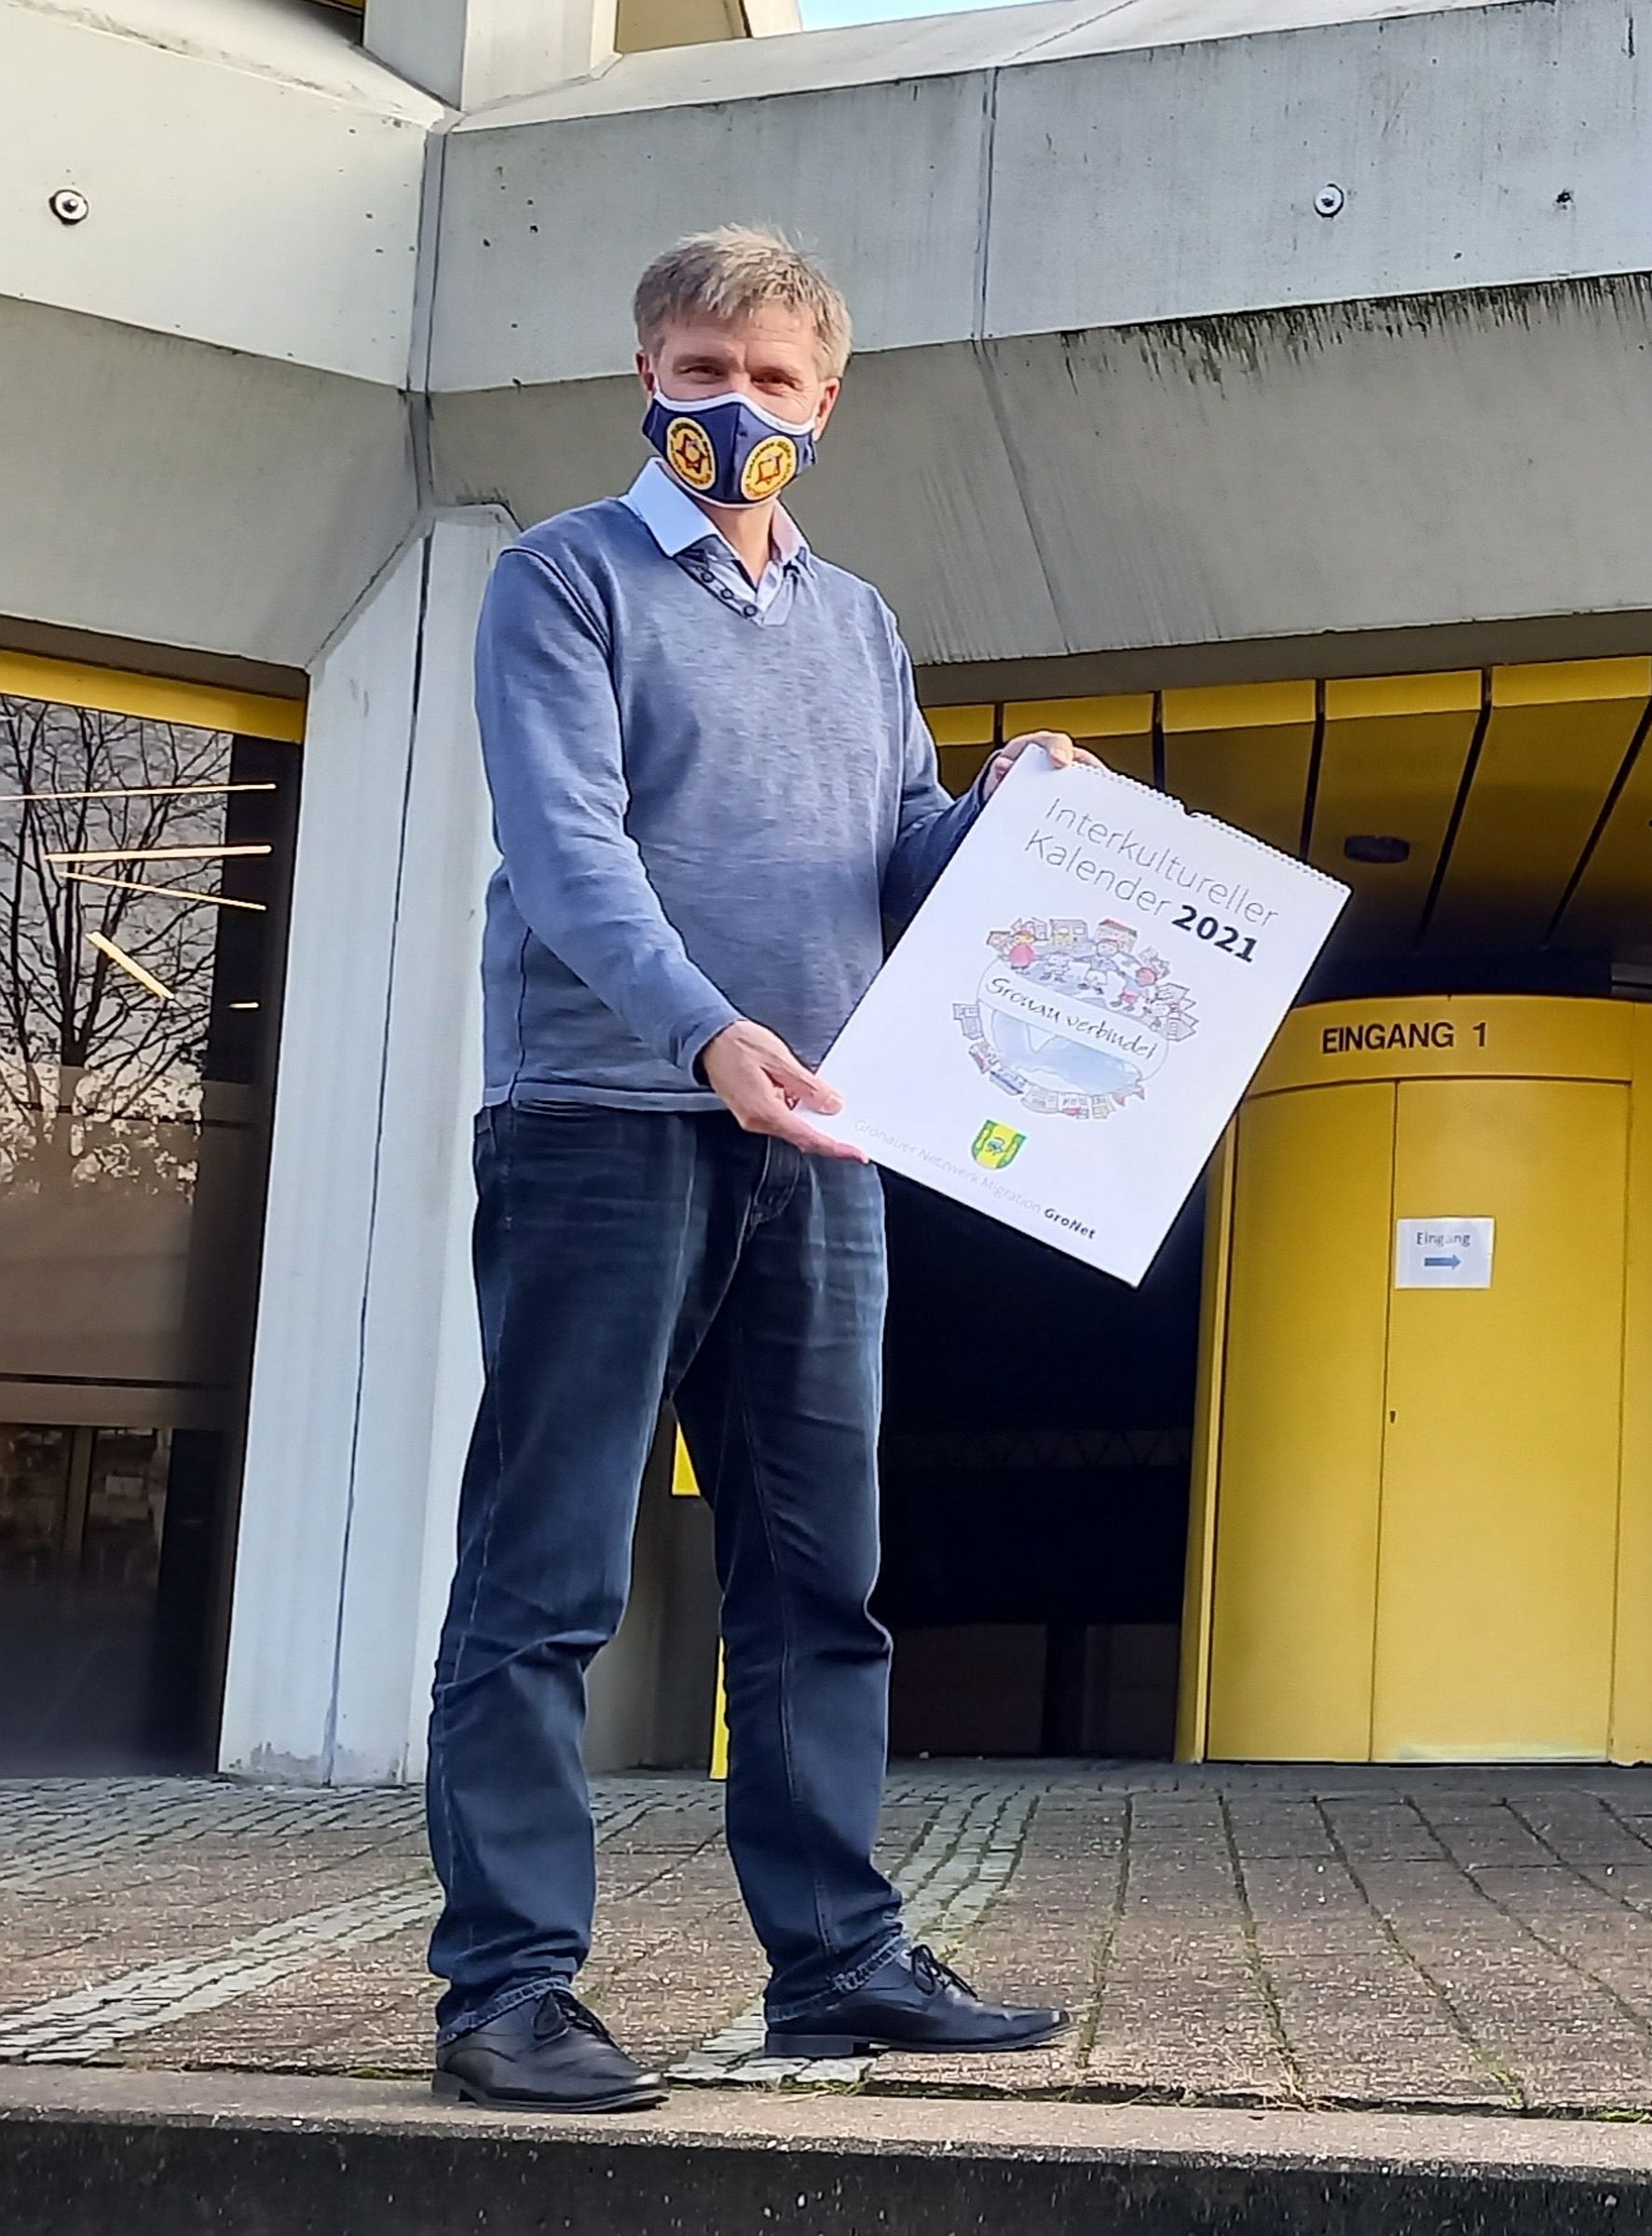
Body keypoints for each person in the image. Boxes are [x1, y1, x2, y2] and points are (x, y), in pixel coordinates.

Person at [424, 227, 1094, 2112]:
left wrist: (1002, 819)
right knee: (547, 1576)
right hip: (604, 1127)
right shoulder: (560, 582)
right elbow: (567, 854)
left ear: (828, 399)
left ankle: (840, 1968)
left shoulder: (858, 622)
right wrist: (703, 1028)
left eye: (773, 380)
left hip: (823, 1143)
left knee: (821, 1584)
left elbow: (895, 853)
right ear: (648, 368)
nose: (736, 407)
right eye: (703, 370)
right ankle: (507, 1990)